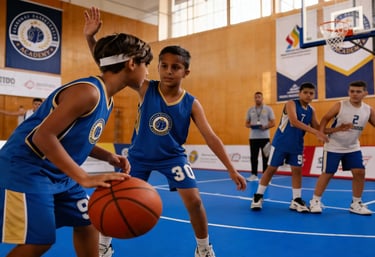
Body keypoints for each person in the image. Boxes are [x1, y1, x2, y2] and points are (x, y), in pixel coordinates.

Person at [84, 7, 247, 257]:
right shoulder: (145, 87)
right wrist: (90, 38)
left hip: (173, 157)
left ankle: (204, 248)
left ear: (186, 72)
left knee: (194, 201)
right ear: (158, 67)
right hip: (137, 156)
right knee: (113, 199)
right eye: (164, 66)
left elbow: (210, 137)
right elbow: (113, 68)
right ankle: (104, 245)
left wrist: (231, 169)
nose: (169, 71)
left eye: (176, 67)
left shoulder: (191, 102)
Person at [0, 28, 154, 256]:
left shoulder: (106, 97)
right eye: (146, 65)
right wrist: (83, 176)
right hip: (25, 168)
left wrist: (108, 156)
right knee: (40, 241)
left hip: (57, 173)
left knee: (88, 221)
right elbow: (42, 136)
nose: (147, 72)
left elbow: (74, 140)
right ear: (132, 63)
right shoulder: (88, 92)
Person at [250, 82, 328, 212]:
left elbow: (319, 128)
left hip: (297, 145)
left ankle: (296, 200)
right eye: (306, 92)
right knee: (271, 169)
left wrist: (338, 129)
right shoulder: (291, 103)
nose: (308, 95)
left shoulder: (311, 110)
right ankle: (258, 196)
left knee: (297, 171)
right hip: (281, 142)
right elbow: (294, 121)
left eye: (311, 93)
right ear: (300, 93)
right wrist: (316, 132)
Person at [309, 80, 375, 215]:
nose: (355, 94)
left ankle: (356, 203)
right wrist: (321, 133)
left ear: (365, 93)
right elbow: (325, 118)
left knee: (359, 172)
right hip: (334, 146)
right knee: (328, 173)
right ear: (348, 92)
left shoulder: (368, 110)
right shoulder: (340, 105)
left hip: (352, 146)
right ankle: (315, 201)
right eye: (352, 91)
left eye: (358, 91)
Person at [245, 91, 275, 181]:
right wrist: (251, 125)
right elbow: (246, 123)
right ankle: (253, 175)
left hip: (265, 137)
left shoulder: (268, 109)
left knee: (266, 157)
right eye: (256, 97)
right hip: (253, 138)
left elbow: (273, 122)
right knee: (253, 157)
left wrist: (265, 126)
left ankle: (266, 177)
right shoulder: (250, 110)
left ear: (262, 98)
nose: (257, 98)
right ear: (254, 99)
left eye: (259, 97)